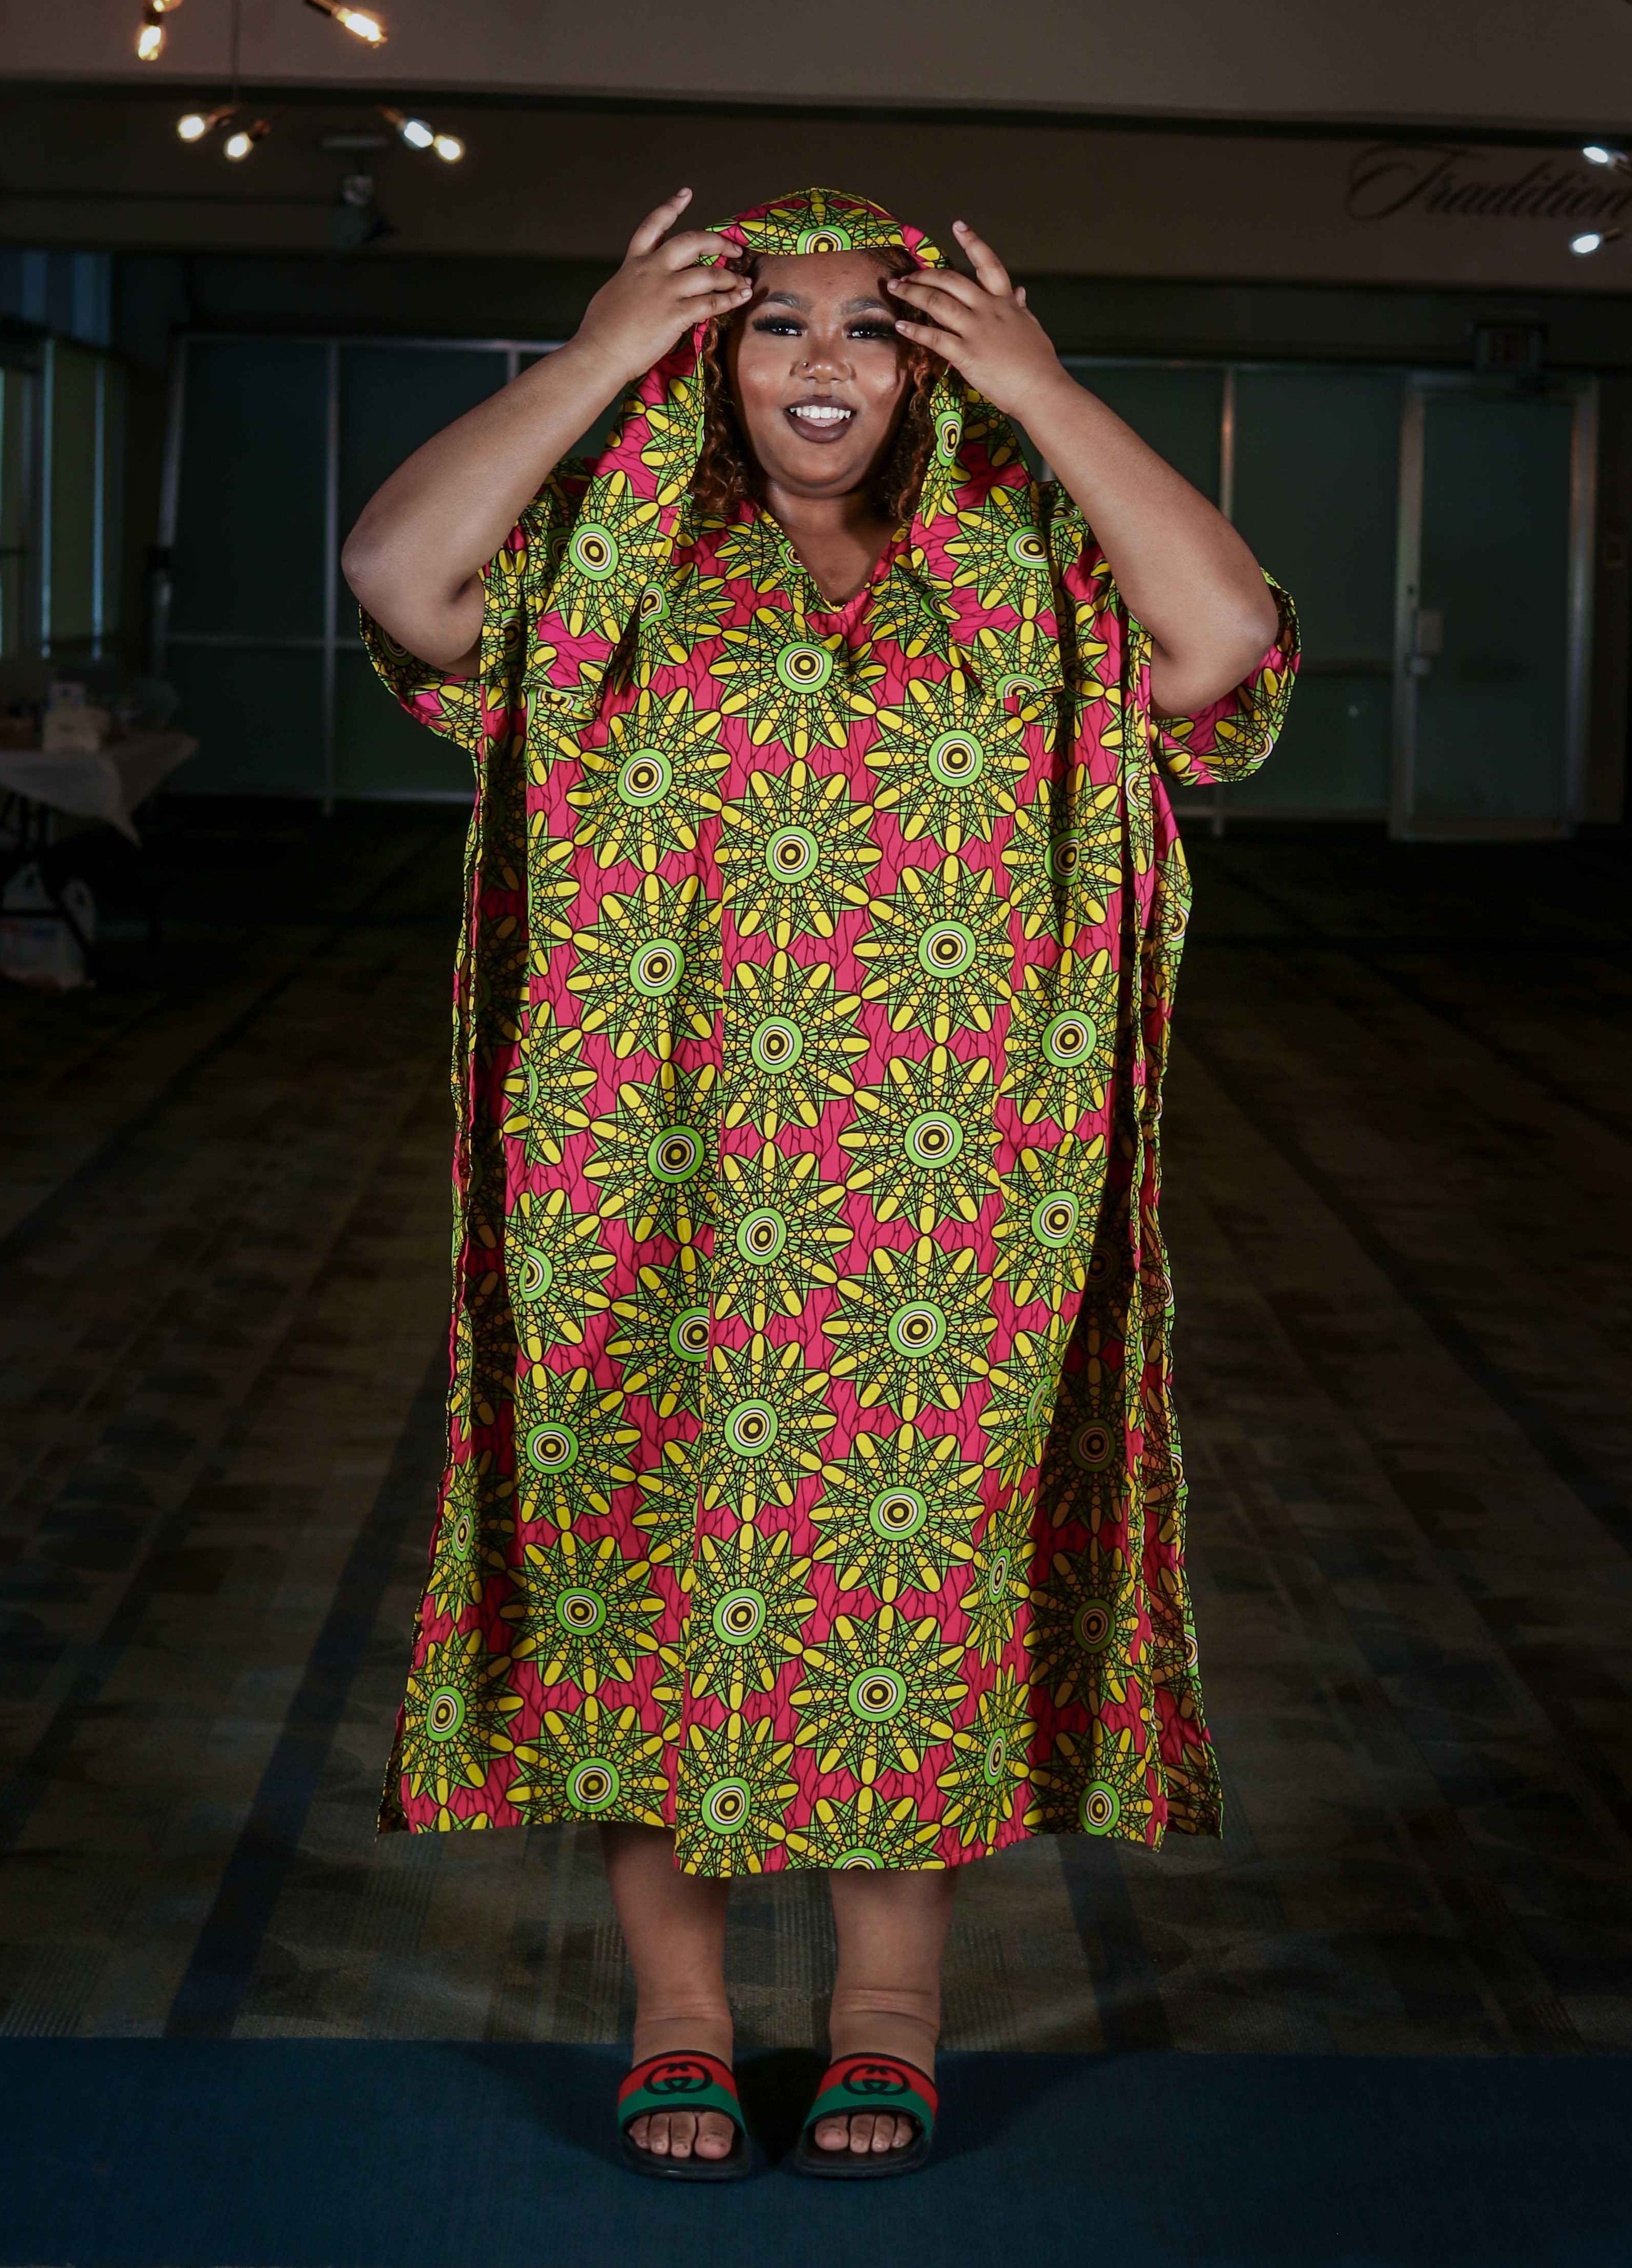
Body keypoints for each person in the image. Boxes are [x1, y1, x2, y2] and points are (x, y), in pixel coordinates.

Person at [343, 184, 1300, 2182]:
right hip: (642, 1178)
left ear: (932, 367)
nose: (825, 361)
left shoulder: (1034, 573)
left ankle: (888, 2018)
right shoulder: (613, 566)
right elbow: (400, 575)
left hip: (943, 1209)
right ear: (715, 356)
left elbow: (1220, 644)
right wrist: (597, 349)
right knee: (645, 1565)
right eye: (777, 323)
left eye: (875, 327)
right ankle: (680, 2018)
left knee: (904, 1588)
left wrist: (1046, 392)